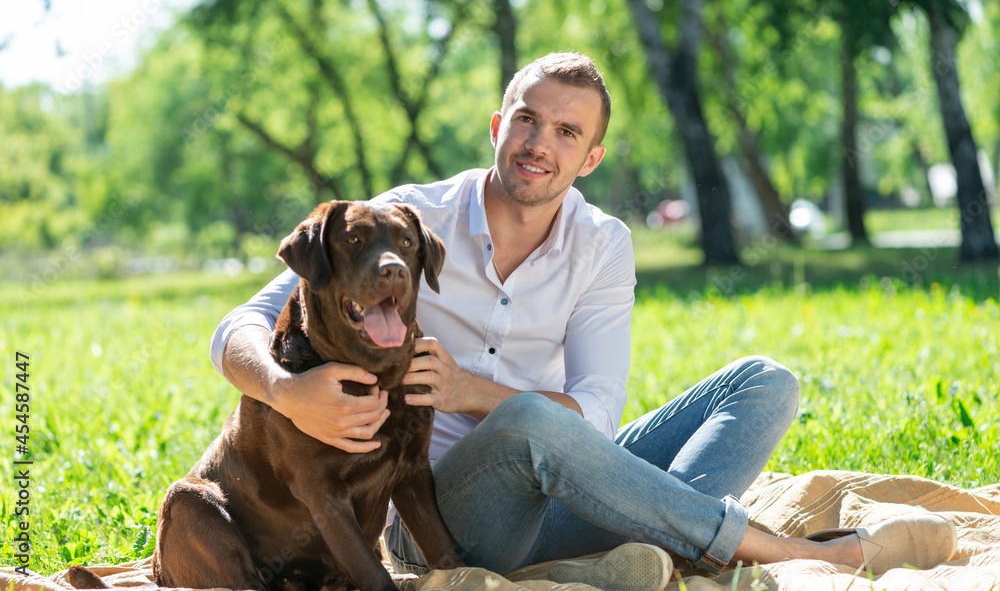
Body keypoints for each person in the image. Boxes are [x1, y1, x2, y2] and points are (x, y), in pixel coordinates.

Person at [210, 53, 948, 588]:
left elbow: (596, 413)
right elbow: (239, 324)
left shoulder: (602, 244)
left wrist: (470, 389)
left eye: (567, 132)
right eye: (528, 120)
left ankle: (634, 549)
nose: (540, 144)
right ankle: (791, 552)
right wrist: (281, 390)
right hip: (436, 508)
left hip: (567, 480)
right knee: (532, 420)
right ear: (499, 125)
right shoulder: (405, 222)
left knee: (765, 382)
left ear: (590, 156)